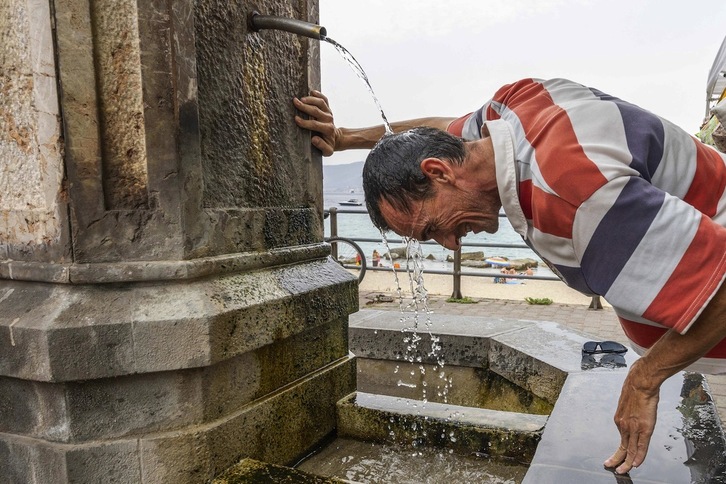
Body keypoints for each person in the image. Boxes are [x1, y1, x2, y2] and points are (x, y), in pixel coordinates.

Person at [293, 78, 726, 475]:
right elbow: (439, 127)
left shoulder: (572, 195)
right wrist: (348, 138)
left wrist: (646, 378)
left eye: (432, 229)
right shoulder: (510, 111)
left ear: (438, 172)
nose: (451, 246)